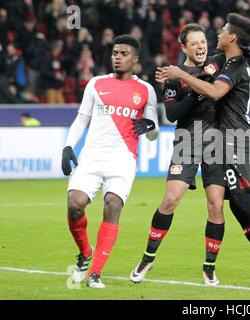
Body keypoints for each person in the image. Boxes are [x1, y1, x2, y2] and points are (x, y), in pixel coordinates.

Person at [130, 23, 250, 286]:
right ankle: (147, 257)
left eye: (203, 42)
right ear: (184, 47)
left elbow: (242, 52)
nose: (201, 46)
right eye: (194, 43)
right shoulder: (175, 74)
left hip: (217, 141)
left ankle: (209, 267)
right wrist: (198, 95)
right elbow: (173, 114)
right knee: (171, 200)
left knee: (215, 205)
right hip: (187, 139)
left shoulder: (217, 63)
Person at [157, 13, 250, 283]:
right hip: (227, 139)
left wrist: (177, 74)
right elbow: (207, 72)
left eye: (222, 31)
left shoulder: (234, 66)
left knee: (242, 198)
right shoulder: (229, 61)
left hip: (237, 137)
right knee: (235, 203)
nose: (217, 35)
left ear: (232, 37)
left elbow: (213, 92)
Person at [61, 35, 159, 288]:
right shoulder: (96, 83)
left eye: (124, 53)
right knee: (75, 205)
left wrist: (151, 125)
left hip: (123, 158)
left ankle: (95, 273)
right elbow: (81, 119)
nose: (117, 57)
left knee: (112, 204)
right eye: (115, 53)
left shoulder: (146, 90)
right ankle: (85, 251)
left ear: (135, 59)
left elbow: (153, 132)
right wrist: (68, 146)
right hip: (92, 155)